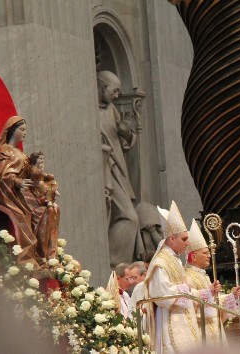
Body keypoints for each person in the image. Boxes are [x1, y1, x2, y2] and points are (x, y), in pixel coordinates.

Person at [144, 201, 218, 353]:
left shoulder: (176, 260)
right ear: (171, 239)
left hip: (185, 317)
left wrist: (203, 293)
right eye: (184, 239)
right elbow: (160, 293)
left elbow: (187, 291)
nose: (187, 243)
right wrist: (183, 289)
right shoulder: (161, 261)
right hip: (170, 319)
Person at [0, 116, 57, 269]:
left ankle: (46, 255)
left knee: (52, 209)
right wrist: (17, 182)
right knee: (39, 212)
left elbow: (32, 175)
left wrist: (47, 184)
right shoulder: (4, 151)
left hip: (27, 193)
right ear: (12, 131)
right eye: (22, 129)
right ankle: (31, 256)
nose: (25, 133)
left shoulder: (21, 154)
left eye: (25, 130)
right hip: (14, 195)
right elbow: (1, 177)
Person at [97, 70, 139, 267]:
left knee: (130, 217)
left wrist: (126, 132)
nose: (116, 96)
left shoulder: (111, 109)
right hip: (105, 168)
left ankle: (115, 263)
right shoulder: (90, 110)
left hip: (118, 169)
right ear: (102, 87)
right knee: (129, 217)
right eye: (114, 91)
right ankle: (113, 265)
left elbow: (129, 140)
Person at [184, 219, 240, 345]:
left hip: (214, 329)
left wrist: (231, 296)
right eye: (205, 253)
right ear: (193, 256)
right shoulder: (187, 276)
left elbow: (213, 301)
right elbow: (187, 302)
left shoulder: (203, 276)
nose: (209, 256)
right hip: (201, 331)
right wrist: (208, 292)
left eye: (209, 253)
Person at [26, 151, 60, 261]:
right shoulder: (33, 172)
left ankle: (50, 251)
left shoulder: (41, 174)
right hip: (34, 202)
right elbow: (37, 185)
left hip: (42, 200)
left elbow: (47, 181)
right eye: (40, 159)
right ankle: (42, 251)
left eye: (43, 159)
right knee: (49, 211)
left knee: (55, 210)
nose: (42, 161)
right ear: (35, 160)